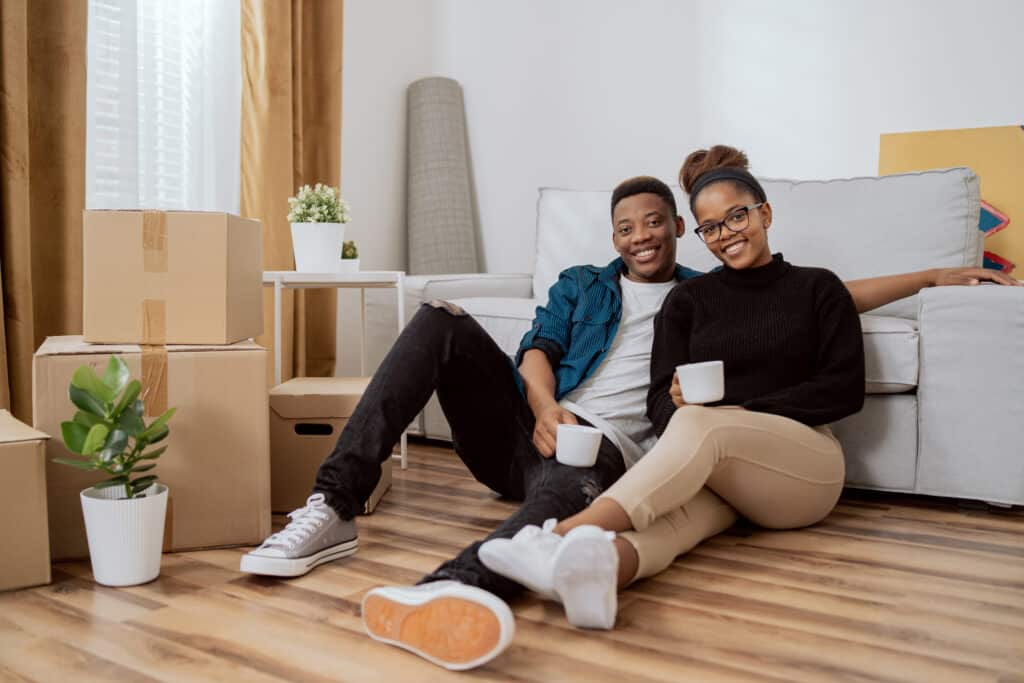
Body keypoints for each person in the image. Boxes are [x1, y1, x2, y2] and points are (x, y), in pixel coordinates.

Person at [240, 159, 1017, 670]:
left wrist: (936, 274)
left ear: (686, 231)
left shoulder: (713, 291)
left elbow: (820, 301)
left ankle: (464, 585)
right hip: (538, 425)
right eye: (627, 226)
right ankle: (332, 503)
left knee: (593, 482)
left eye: (665, 222)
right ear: (615, 236)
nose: (645, 235)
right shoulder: (605, 286)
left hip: (613, 454)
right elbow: (544, 348)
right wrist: (545, 407)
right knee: (441, 316)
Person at [478, 144, 1021, 636]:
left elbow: (842, 392)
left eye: (737, 215)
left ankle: (557, 534)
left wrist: (731, 414)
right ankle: (596, 575)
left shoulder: (817, 288)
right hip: (722, 471)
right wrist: (690, 417)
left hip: (802, 466)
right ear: (699, 234)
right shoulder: (687, 302)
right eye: (711, 226)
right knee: (674, 524)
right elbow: (657, 404)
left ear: (765, 214)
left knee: (699, 424)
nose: (727, 232)